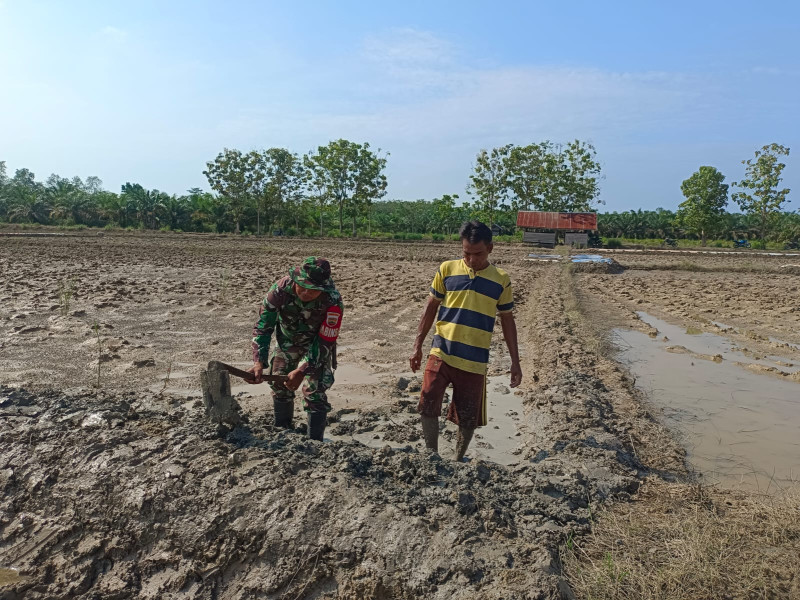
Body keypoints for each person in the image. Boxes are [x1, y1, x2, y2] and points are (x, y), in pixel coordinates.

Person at [409, 221, 522, 461]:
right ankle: (432, 456)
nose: (471, 260)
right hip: (442, 350)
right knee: (428, 400)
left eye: (477, 254)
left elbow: (508, 322)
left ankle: (458, 459)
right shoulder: (447, 269)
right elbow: (430, 308)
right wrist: (417, 344)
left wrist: (515, 362)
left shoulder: (501, 280)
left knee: (468, 415)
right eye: (466, 254)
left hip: (475, 360)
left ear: (490, 248)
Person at [248, 257, 343, 441]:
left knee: (314, 391)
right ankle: (283, 434)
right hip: (287, 341)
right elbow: (263, 327)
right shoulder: (280, 290)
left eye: (313, 290)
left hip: (315, 346)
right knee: (279, 383)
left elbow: (325, 340)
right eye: (303, 285)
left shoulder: (333, 301)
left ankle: (316, 443)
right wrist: (258, 361)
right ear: (296, 279)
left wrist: (302, 370)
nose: (306, 292)